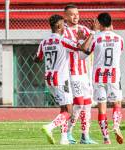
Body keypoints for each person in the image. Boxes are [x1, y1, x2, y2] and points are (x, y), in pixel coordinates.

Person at [34, 14, 80, 145]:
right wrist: (88, 35)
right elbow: (80, 48)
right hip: (61, 80)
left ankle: (64, 138)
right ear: (59, 26)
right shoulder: (62, 40)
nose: (65, 27)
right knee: (69, 112)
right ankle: (50, 127)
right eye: (64, 25)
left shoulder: (44, 42)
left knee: (63, 109)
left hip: (49, 79)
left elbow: (37, 58)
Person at [81, 12, 124, 144]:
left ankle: (106, 138)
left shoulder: (95, 38)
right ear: (111, 23)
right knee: (117, 103)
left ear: (98, 23)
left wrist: (92, 33)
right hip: (113, 75)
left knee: (102, 107)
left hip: (98, 76)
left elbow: (84, 52)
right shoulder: (119, 39)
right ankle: (116, 126)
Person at [63, 4, 97, 144]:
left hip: (84, 72)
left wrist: (89, 38)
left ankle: (85, 135)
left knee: (87, 104)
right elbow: (80, 48)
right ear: (65, 16)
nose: (75, 16)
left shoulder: (84, 29)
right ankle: (68, 132)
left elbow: (87, 51)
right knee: (78, 103)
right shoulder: (63, 32)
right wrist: (88, 38)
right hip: (72, 72)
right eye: (72, 14)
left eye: (77, 14)